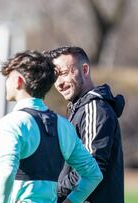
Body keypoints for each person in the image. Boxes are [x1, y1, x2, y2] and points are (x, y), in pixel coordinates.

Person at [0, 50, 103, 203]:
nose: (6, 82)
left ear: (18, 81)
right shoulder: (64, 126)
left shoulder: (11, 123)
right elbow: (94, 175)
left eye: (8, 77)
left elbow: (6, 172)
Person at [47, 46, 125, 203]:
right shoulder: (80, 109)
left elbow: (90, 168)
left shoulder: (94, 109)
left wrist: (54, 195)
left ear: (84, 69)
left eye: (63, 73)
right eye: (55, 77)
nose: (59, 83)